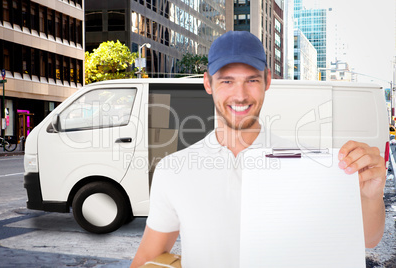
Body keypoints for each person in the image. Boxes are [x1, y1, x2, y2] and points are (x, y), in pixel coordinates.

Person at [131, 31, 386, 267]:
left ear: (267, 80)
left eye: (251, 80)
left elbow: (368, 239)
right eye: (227, 81)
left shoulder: (306, 165)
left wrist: (370, 196)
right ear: (208, 83)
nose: (240, 95)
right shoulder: (174, 169)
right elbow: (148, 257)